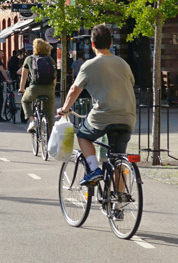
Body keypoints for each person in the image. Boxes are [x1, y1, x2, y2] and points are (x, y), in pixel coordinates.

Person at [55, 24, 136, 185]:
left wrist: (64, 109)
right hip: (128, 117)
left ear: (92, 44)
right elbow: (131, 83)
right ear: (111, 43)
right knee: (118, 158)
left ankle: (93, 169)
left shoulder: (89, 65)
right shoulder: (123, 64)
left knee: (83, 136)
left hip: (103, 116)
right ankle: (118, 205)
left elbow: (73, 91)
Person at [20, 39, 56, 135]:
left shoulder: (29, 59)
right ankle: (50, 139)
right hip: (49, 89)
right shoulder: (50, 60)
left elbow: (24, 77)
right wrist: (53, 89)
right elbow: (54, 77)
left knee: (25, 101)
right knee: (49, 115)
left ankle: (32, 121)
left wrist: (21, 89)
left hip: (34, 88)